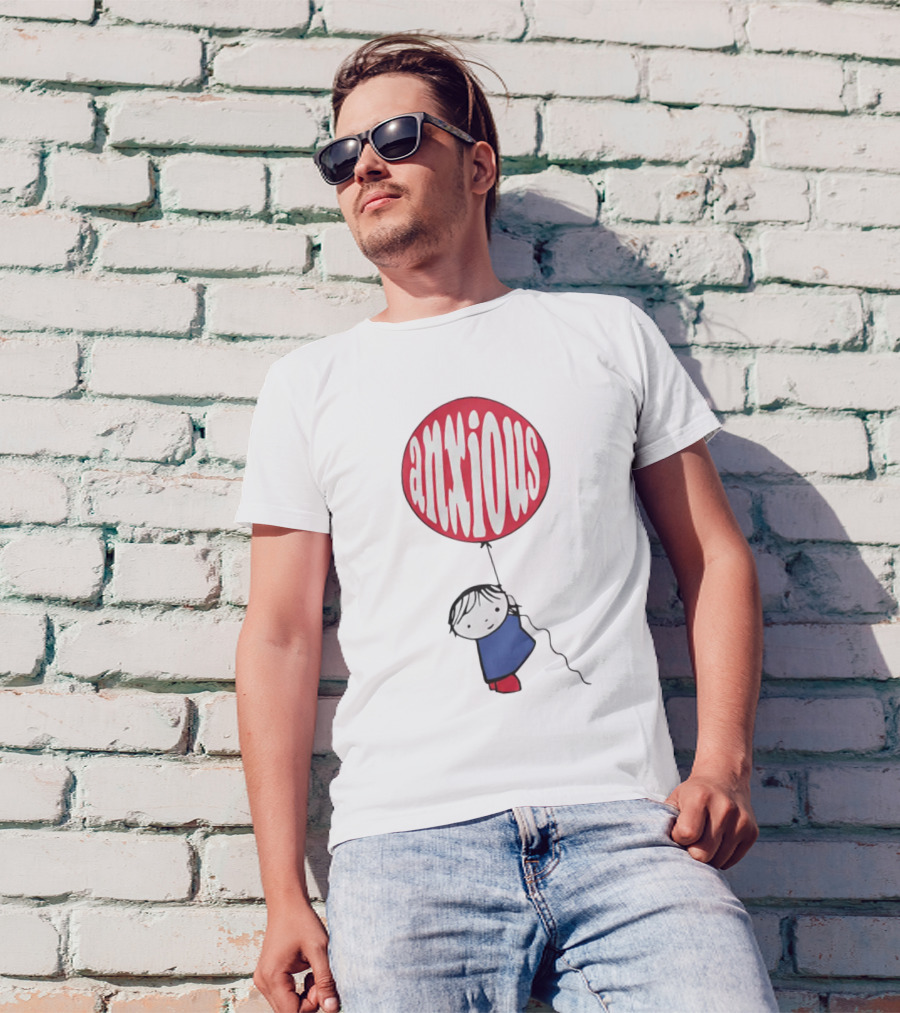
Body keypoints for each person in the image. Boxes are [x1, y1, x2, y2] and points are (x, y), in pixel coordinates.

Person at [235, 33, 778, 1013]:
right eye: (340, 154)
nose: (364, 165)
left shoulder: (607, 338)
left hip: (630, 831)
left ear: (477, 163)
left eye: (397, 137)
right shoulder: (307, 386)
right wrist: (283, 893)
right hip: (405, 844)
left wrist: (723, 760)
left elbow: (716, 558)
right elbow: (278, 635)